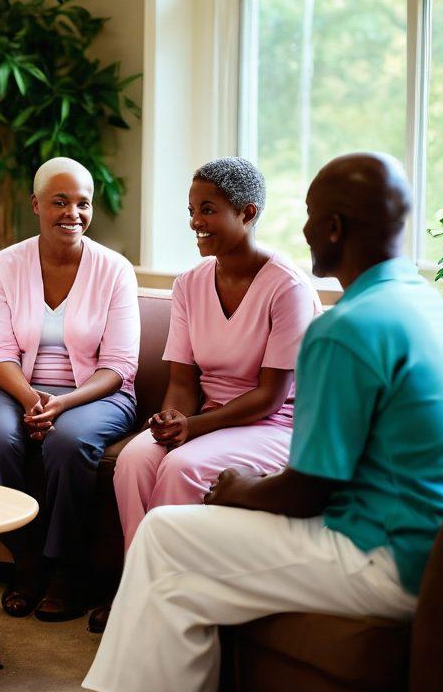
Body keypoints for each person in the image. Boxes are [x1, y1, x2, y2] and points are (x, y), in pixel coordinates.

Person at [51, 153, 443, 692]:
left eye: (309, 216)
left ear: (333, 228)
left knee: (168, 536)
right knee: (176, 561)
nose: (300, 230)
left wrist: (239, 490)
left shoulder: (346, 327)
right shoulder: (433, 307)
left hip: (386, 555)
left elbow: (307, 489)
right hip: (437, 550)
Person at [96, 158, 320, 631]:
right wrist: (170, 419)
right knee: (136, 460)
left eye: (209, 209)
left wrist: (191, 430)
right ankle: (141, 587)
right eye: (192, 209)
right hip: (210, 418)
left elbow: (270, 396)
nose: (195, 221)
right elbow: (182, 381)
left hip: (273, 424)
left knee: (181, 466)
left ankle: (158, 606)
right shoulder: (190, 284)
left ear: (248, 212)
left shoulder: (288, 288)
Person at [0, 157, 140, 621]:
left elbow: (120, 366)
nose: (73, 213)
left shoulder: (115, 270)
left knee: (70, 440)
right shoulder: (5, 265)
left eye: (83, 203)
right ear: (36, 204)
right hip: (11, 386)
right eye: (60, 202)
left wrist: (61, 403)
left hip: (95, 393)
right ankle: (24, 562)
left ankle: (68, 570)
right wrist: (30, 399)